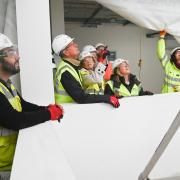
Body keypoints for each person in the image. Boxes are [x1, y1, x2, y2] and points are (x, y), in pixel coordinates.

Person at [0, 33, 64, 180]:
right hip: (2, 165)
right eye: (11, 53)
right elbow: (14, 120)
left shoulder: (6, 84)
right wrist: (49, 114)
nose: (18, 57)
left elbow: (23, 105)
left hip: (10, 158)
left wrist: (47, 108)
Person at [52, 34, 119, 108]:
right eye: (72, 44)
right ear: (66, 52)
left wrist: (101, 59)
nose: (76, 45)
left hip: (70, 110)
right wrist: (107, 98)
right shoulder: (65, 71)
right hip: (66, 111)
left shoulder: (72, 66)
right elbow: (81, 97)